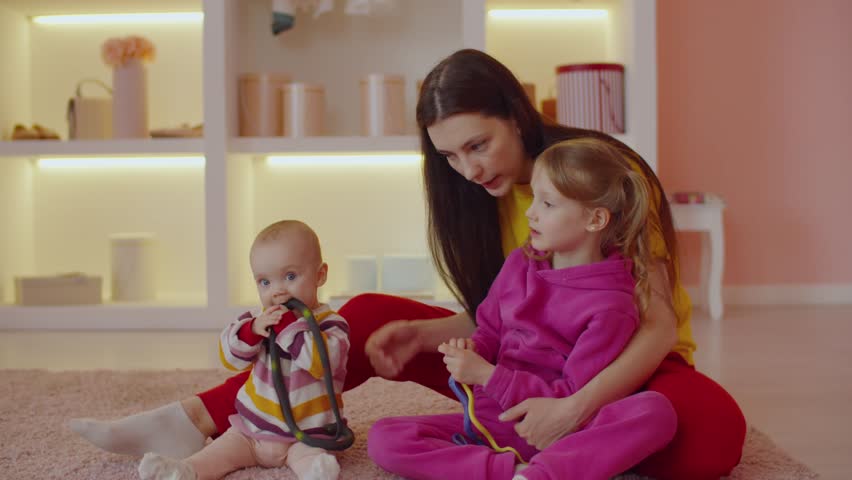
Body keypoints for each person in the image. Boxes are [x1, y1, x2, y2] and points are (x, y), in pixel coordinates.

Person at [69, 49, 745, 480]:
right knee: (361, 317)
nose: (468, 168)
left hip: (623, 365)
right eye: (450, 156)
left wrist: (574, 407)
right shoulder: (480, 197)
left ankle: (558, 453)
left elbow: (654, 326)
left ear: (516, 114)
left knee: (712, 442)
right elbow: (497, 319)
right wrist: (425, 335)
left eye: (478, 145)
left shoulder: (597, 177)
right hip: (517, 369)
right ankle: (194, 421)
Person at [369, 138, 679, 480]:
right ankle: (512, 473)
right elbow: (488, 330)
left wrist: (489, 376)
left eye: (547, 203)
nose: (531, 212)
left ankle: (544, 473)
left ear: (595, 219)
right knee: (385, 437)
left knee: (654, 412)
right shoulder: (521, 261)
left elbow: (572, 397)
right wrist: (472, 351)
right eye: (534, 197)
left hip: (556, 431)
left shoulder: (611, 304)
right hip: (488, 422)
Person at [137, 220, 349, 480]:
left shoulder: (330, 325)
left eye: (290, 276)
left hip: (307, 434)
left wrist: (291, 328)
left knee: (312, 459)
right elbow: (229, 356)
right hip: (252, 429)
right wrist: (251, 331)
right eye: (264, 282)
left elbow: (323, 363)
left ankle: (317, 474)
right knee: (219, 451)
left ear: (320, 275)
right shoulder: (258, 319)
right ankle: (185, 471)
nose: (277, 291)